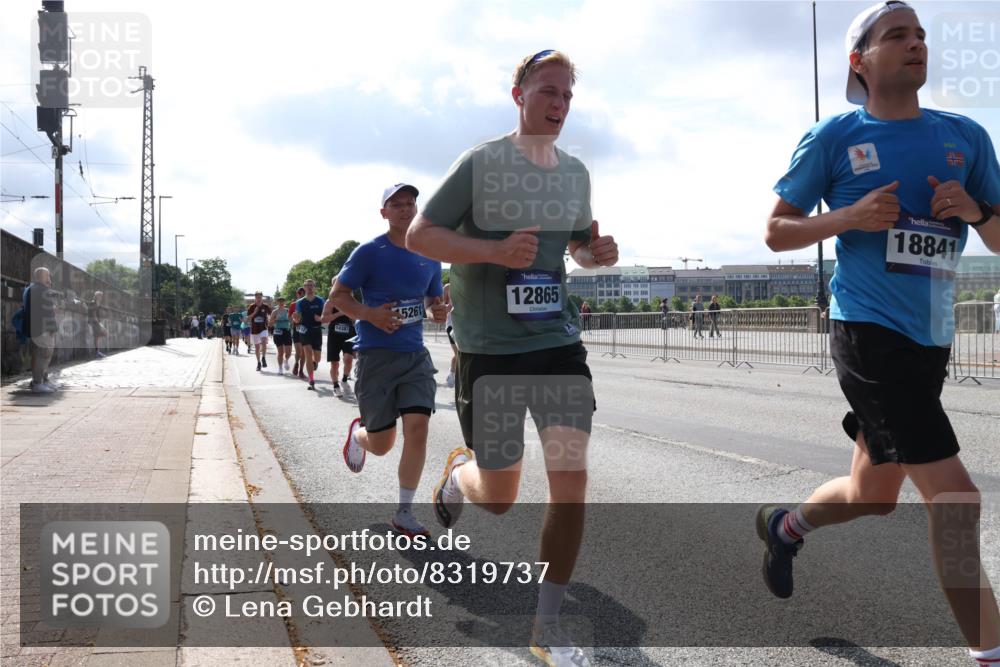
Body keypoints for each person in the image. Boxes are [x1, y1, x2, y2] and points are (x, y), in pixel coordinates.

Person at [762, 3, 1000, 664]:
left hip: (930, 338)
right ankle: (990, 651)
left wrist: (976, 210)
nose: (916, 43)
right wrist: (849, 216)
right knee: (956, 497)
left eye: (921, 34)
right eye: (897, 34)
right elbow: (777, 231)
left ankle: (788, 525)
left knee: (875, 494)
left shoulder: (966, 137)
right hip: (866, 331)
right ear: (858, 60)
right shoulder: (836, 136)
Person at [406, 50, 619, 666]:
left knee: (571, 480)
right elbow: (422, 236)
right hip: (489, 351)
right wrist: (494, 252)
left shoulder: (575, 173)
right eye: (547, 92)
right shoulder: (481, 163)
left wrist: (595, 253)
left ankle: (547, 625)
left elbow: (574, 249)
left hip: (556, 343)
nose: (558, 105)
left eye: (567, 97)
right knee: (498, 496)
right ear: (518, 93)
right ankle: (458, 477)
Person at [334, 183, 447, 538]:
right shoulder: (369, 252)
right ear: (383, 212)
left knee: (418, 430)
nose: (405, 209)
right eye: (396, 204)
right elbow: (339, 296)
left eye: (410, 203)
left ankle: (404, 512)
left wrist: (437, 310)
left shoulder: (430, 254)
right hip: (376, 357)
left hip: (415, 357)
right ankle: (360, 435)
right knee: (382, 445)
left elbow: (430, 300)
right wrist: (370, 315)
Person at [320, 276, 356, 398]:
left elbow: (355, 318)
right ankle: (335, 386)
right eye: (337, 284)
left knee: (348, 359)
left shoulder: (351, 300)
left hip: (348, 334)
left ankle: (345, 380)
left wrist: (351, 314)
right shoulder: (330, 302)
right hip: (334, 335)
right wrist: (340, 312)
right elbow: (324, 319)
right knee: (334, 363)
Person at [25, 267, 59, 394]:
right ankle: (38, 383)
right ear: (40, 277)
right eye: (47, 276)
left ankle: (42, 381)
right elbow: (48, 311)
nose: (49, 278)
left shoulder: (34, 289)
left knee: (43, 355)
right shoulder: (41, 290)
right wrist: (52, 328)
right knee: (42, 355)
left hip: (38, 328)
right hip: (42, 329)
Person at [291, 279, 324, 390]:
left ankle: (315, 362)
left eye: (311, 285)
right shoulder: (300, 302)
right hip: (305, 331)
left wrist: (320, 318)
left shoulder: (320, 301)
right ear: (304, 288)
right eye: (307, 285)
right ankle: (311, 380)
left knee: (317, 358)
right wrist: (295, 319)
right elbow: (297, 318)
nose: (309, 287)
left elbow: (325, 315)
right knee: (308, 355)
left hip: (317, 330)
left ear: (314, 287)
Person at [247, 292, 272, 372]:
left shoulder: (266, 306)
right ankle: (258, 363)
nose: (259, 298)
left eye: (260, 297)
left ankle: (263, 358)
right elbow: (248, 318)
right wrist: (254, 312)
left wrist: (270, 319)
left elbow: (270, 315)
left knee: (264, 342)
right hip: (254, 330)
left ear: (262, 297)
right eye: (257, 297)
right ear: (255, 298)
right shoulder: (252, 306)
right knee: (257, 348)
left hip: (263, 328)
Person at [269, 297, 293, 375]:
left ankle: (286, 360)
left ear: (284, 302)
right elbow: (270, 323)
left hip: (286, 331)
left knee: (288, 352)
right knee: (280, 352)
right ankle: (280, 368)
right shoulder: (274, 312)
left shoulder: (287, 311)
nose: (281, 303)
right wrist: (275, 320)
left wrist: (290, 320)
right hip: (278, 331)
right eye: (279, 301)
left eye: (282, 301)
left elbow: (292, 320)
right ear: (277, 302)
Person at [289, 286, 307, 378]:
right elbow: (290, 318)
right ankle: (296, 363)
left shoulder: (307, 303)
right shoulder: (293, 305)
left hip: (306, 330)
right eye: (300, 293)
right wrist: (294, 319)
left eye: (304, 293)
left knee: (304, 352)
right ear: (297, 294)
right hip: (296, 329)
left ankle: (301, 370)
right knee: (299, 351)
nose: (302, 295)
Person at [443, 282, 458, 388]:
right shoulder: (448, 287)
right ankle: (452, 375)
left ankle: (453, 374)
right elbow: (442, 306)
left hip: (463, 324)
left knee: (461, 353)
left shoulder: (467, 284)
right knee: (459, 353)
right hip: (451, 325)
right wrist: (450, 306)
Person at [87, 290, 107, 358]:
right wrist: (99, 324)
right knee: (100, 335)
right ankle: (97, 352)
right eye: (100, 296)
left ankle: (97, 352)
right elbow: (93, 314)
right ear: (96, 296)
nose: (101, 297)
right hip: (94, 322)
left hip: (96, 322)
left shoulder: (97, 303)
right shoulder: (93, 303)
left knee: (98, 336)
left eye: (101, 296)